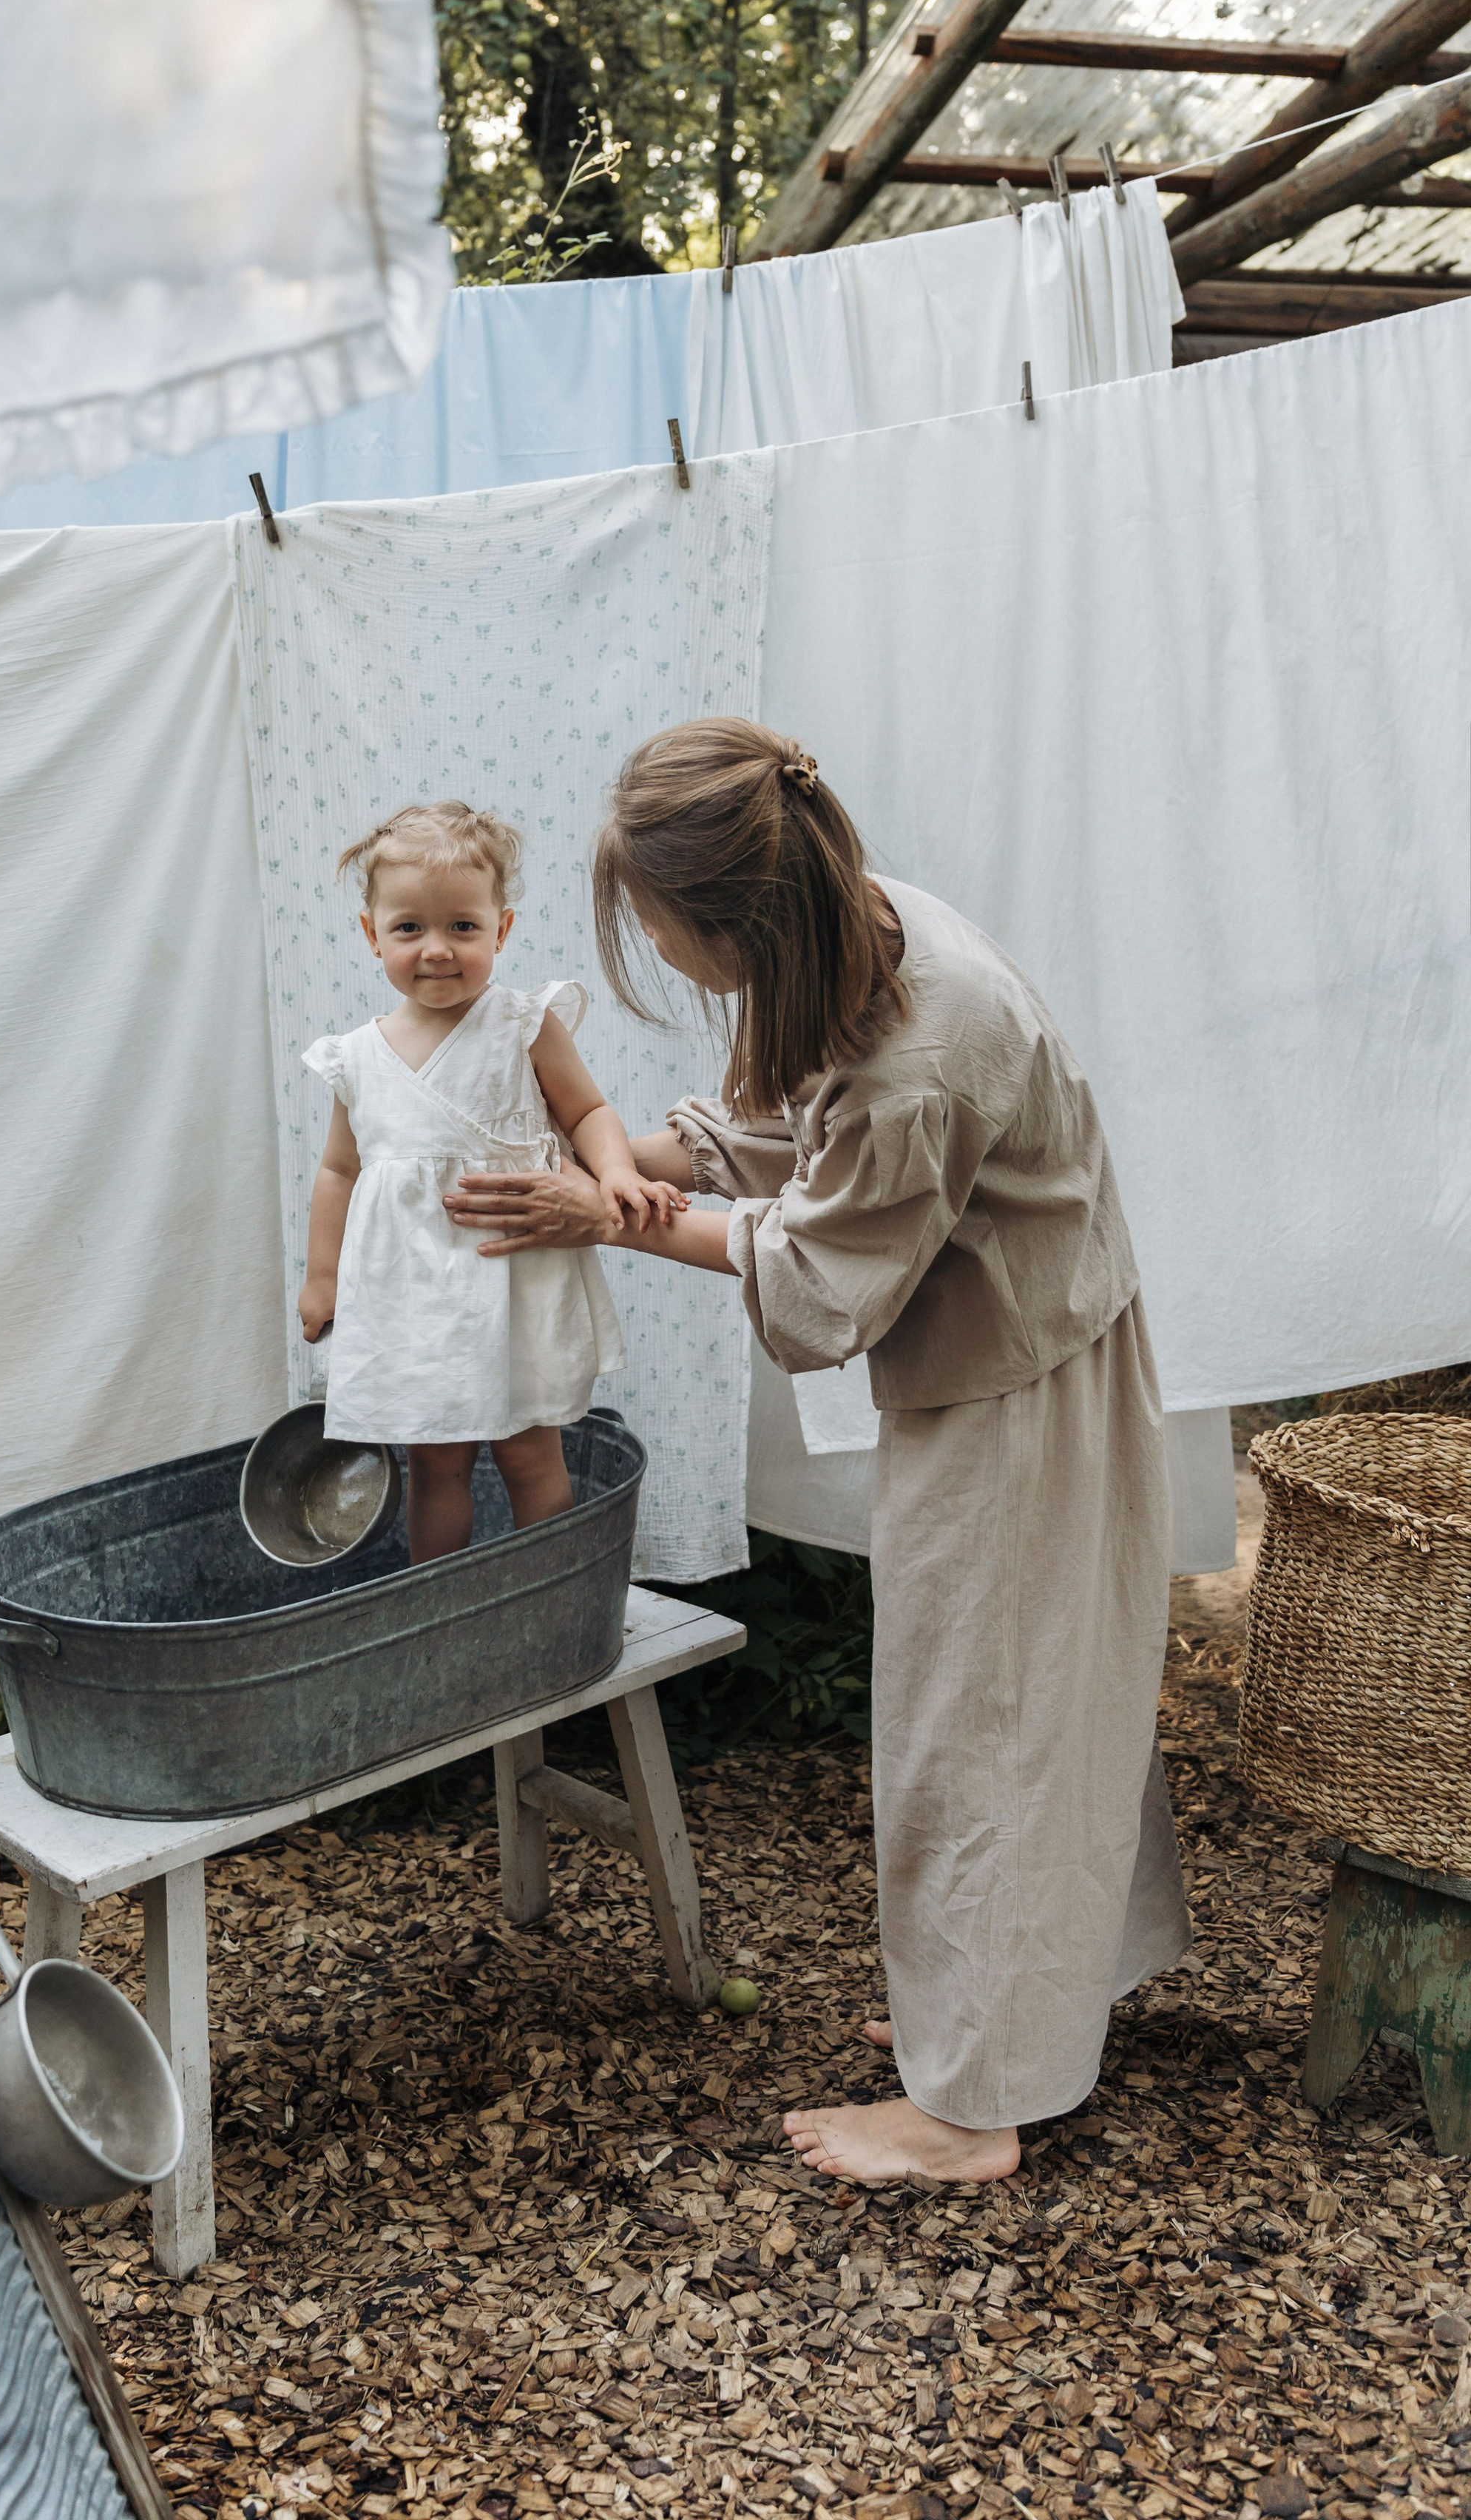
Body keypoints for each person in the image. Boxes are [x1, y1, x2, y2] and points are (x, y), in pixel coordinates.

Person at [443, 718, 1191, 2186]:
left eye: (667, 943)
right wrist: (628, 1163)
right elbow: (786, 1116)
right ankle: (1023, 2008)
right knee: (1044, 1696)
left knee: (977, 1723)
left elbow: (823, 1285)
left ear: (740, 920)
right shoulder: (852, 913)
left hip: (1018, 1390)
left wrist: (609, 1222)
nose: (668, 970)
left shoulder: (923, 1041)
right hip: (1024, 1346)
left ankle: (969, 2110)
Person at [298, 798, 686, 1565]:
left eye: (463, 928)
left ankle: (547, 1594)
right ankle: (441, 1605)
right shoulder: (356, 1058)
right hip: (413, 1294)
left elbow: (587, 1112)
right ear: (372, 935)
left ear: (500, 930)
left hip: (509, 1280)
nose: (437, 950)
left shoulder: (521, 1024)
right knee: (435, 1463)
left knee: (529, 1453)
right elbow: (340, 1171)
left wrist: (611, 1172)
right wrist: (321, 1277)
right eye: (410, 928)